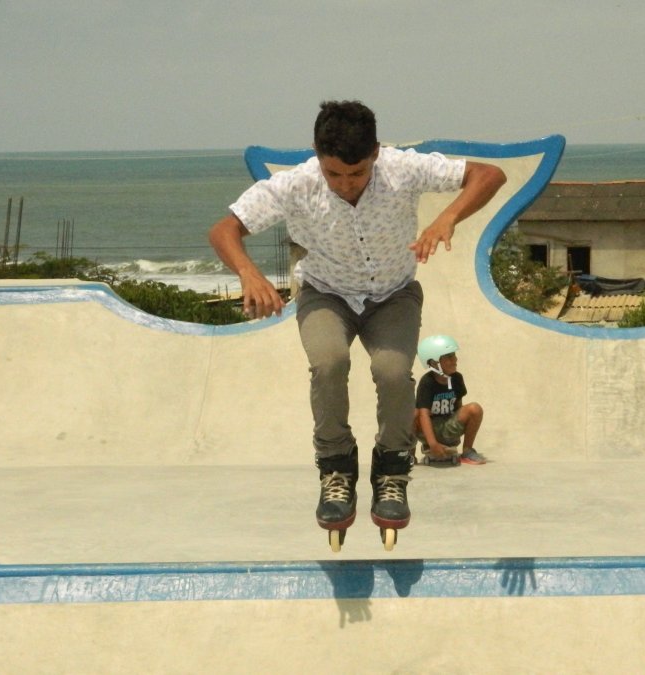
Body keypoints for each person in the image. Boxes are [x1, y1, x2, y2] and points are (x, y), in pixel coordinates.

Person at [208, 100, 506, 544]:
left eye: (357, 174)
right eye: (334, 175)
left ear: (376, 154)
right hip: (326, 294)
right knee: (328, 363)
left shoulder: (403, 168)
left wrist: (447, 216)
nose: (345, 185)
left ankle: (391, 471)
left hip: (393, 296)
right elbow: (224, 230)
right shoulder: (293, 185)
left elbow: (489, 175)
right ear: (316, 154)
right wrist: (249, 273)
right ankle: (335, 470)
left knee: (392, 373)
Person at [413, 334, 486, 466]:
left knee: (475, 409)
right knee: (412, 413)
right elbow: (423, 415)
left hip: (448, 427)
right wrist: (433, 444)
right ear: (434, 362)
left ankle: (467, 451)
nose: (455, 360)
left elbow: (459, 407)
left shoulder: (457, 378)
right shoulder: (427, 382)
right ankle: (408, 455)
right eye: (449, 357)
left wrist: (457, 430)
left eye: (454, 355)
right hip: (428, 430)